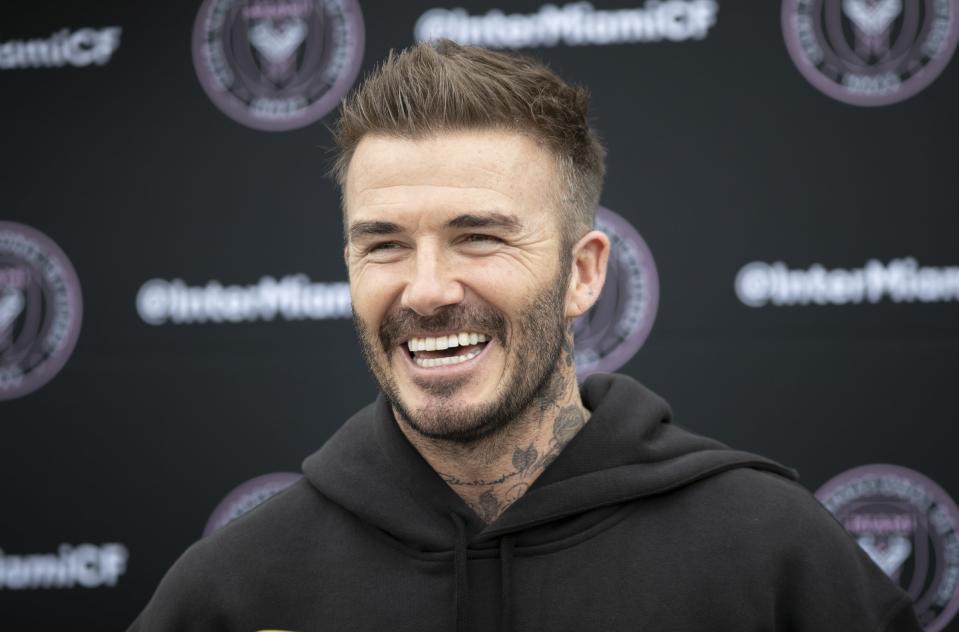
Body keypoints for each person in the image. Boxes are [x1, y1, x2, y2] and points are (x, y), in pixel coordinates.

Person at [129, 40, 922, 631]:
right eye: (384, 244)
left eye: (479, 238)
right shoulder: (237, 590)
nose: (428, 289)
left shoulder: (771, 554)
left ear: (583, 273)